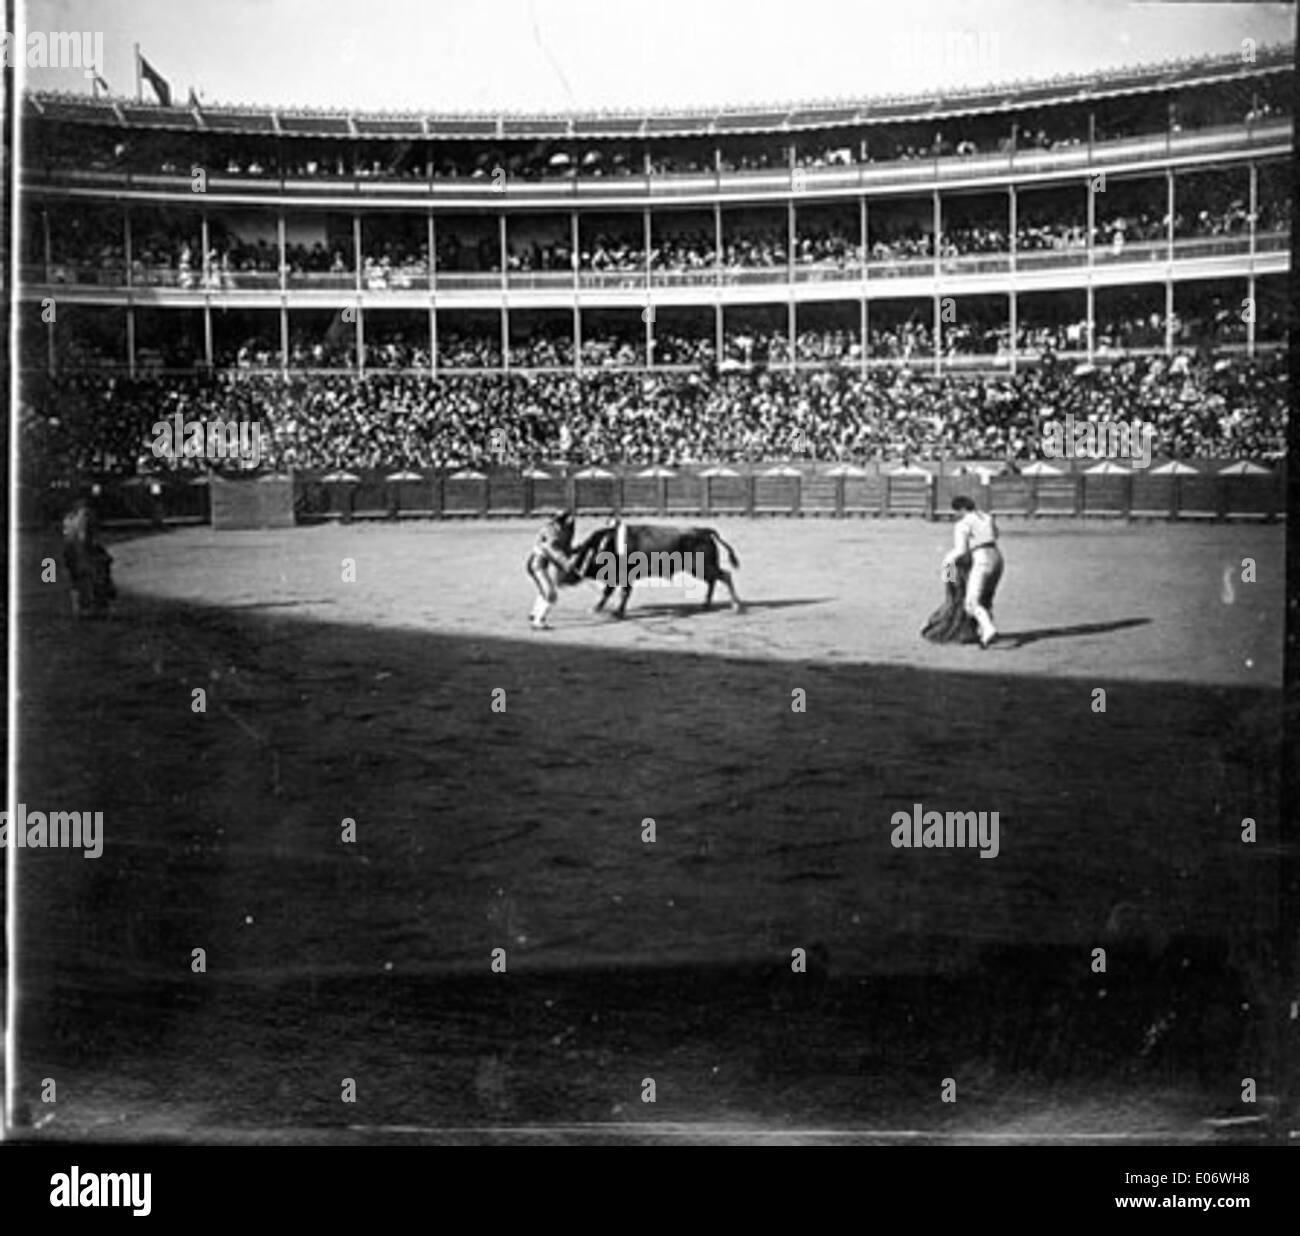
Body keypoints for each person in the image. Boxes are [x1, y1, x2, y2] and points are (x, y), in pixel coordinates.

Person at [939, 495, 1003, 648]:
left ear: (961, 509)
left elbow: (960, 550)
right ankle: (984, 632)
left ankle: (988, 630)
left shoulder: (963, 524)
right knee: (986, 597)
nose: (955, 515)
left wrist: (947, 570)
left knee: (971, 603)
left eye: (956, 511)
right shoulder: (987, 517)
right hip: (998, 558)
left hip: (982, 559)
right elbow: (996, 535)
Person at [525, 509, 577, 630]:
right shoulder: (551, 531)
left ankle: (534, 614)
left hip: (538, 564)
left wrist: (574, 552)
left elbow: (561, 549)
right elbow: (552, 549)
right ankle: (538, 621)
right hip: (537, 564)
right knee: (550, 594)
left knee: (544, 590)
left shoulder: (555, 528)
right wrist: (566, 563)